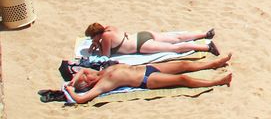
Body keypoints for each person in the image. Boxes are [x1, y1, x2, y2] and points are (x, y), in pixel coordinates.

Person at [64, 54, 233, 104]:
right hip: (146, 79)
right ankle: (218, 81)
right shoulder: (101, 84)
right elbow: (81, 99)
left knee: (182, 64)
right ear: (88, 83)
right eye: (86, 77)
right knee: (183, 78)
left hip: (147, 67)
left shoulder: (98, 73)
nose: (86, 73)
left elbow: (83, 69)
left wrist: (72, 81)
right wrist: (72, 91)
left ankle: (214, 63)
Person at [85, 24, 215, 57]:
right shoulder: (109, 28)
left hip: (141, 45)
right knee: (177, 38)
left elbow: (105, 56)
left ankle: (207, 47)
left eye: (92, 37)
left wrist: (98, 45)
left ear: (96, 34)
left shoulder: (106, 37)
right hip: (142, 35)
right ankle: (206, 34)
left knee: (174, 48)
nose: (92, 40)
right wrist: (98, 43)